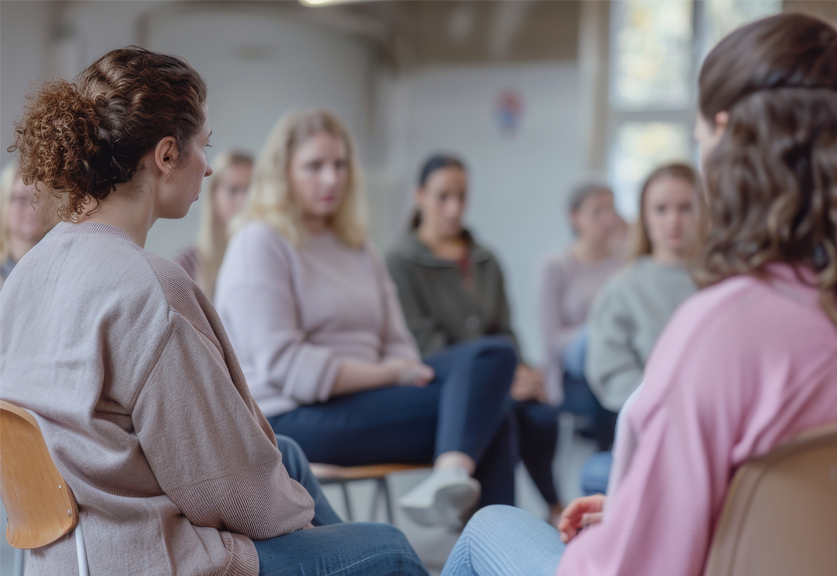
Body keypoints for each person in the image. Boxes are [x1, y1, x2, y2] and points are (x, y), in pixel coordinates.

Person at [440, 11, 837, 576]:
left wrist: (625, 534)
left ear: (725, 136)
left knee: (488, 526)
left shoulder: (722, 327)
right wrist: (638, 514)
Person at [1, 46, 427, 576]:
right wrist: (297, 515)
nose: (207, 166)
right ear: (166, 155)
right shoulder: (149, 288)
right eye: (205, 146)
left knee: (289, 457)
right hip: (147, 557)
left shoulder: (29, 271)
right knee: (390, 549)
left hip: (65, 553)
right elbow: (230, 494)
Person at [214, 111, 518, 529]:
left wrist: (394, 371)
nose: (331, 179)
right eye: (314, 166)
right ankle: (485, 538)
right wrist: (387, 373)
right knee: (494, 412)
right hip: (290, 417)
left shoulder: (358, 246)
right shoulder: (258, 241)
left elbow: (399, 342)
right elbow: (288, 368)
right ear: (282, 173)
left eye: (340, 165)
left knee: (492, 357)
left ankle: (453, 479)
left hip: (367, 400)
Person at [386, 155, 562, 522]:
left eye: (461, 197)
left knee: (542, 415)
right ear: (419, 196)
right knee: (502, 414)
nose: (454, 208)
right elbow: (422, 340)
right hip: (442, 379)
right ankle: (492, 525)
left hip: (498, 371)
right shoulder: (401, 261)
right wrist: (495, 378)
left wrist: (523, 371)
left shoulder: (485, 260)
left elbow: (505, 329)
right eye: (442, 197)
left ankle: (552, 506)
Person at [578, 162, 699, 494]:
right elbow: (611, 372)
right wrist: (667, 412)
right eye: (661, 209)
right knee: (596, 475)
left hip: (718, 429)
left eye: (685, 208)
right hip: (654, 431)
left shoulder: (723, 282)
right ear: (644, 216)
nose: (673, 220)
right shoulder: (624, 288)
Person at [535, 183, 626, 451]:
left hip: (620, 356)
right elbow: (551, 339)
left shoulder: (627, 262)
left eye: (611, 210)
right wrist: (550, 389)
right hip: (577, 361)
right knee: (595, 335)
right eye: (597, 211)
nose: (607, 219)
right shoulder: (555, 266)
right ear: (575, 217)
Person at [174, 148, 253, 299]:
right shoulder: (186, 264)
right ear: (213, 195)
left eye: (251, 190)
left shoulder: (269, 251)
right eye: (233, 190)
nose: (244, 201)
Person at [0, 160, 54, 289]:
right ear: (4, 203)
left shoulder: (59, 266)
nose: (32, 209)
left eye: (38, 198)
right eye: (21, 198)